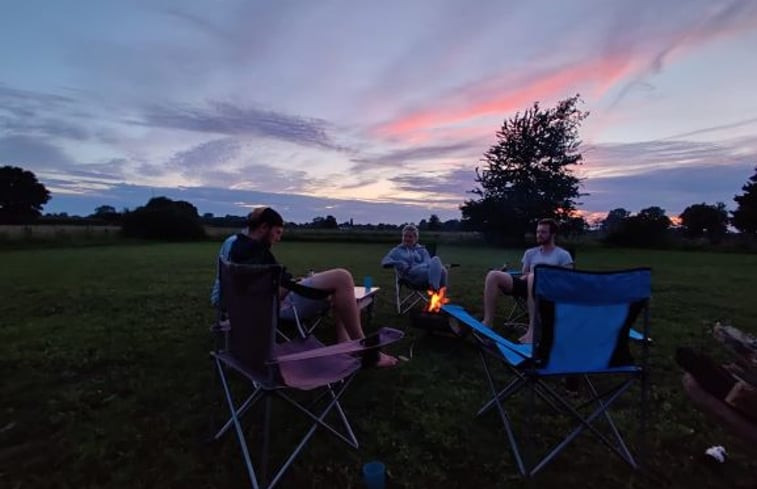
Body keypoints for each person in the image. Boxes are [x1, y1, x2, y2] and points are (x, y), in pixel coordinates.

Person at [211, 206, 398, 367]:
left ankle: (345, 342)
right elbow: (270, 293)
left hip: (245, 308)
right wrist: (295, 286)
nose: (278, 239)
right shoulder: (252, 251)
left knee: (338, 291)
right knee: (342, 278)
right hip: (274, 308)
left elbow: (252, 287)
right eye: (277, 233)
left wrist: (294, 283)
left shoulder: (234, 243)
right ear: (263, 227)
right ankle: (365, 349)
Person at [482, 218, 573, 343]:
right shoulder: (530, 253)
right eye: (537, 232)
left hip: (549, 292)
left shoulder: (562, 255)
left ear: (552, 234)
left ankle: (533, 330)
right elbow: (524, 273)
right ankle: (487, 323)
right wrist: (527, 276)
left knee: (533, 276)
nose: (539, 235)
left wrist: (537, 276)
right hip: (528, 286)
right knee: (493, 275)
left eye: (543, 232)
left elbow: (567, 279)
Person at [380, 224, 447, 291]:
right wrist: (398, 263)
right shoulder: (397, 251)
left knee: (437, 260)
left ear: (415, 238)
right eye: (405, 236)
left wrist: (425, 266)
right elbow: (385, 261)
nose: (407, 239)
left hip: (426, 273)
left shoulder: (422, 250)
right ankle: (436, 290)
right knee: (440, 271)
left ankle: (434, 287)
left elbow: (428, 262)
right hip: (411, 277)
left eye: (410, 237)